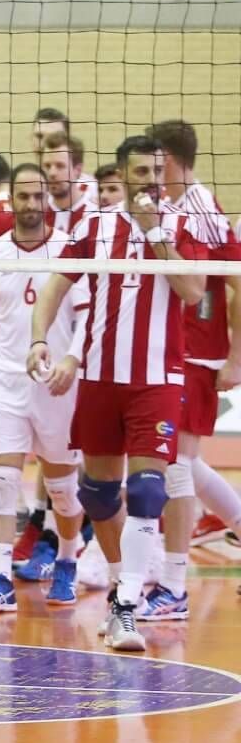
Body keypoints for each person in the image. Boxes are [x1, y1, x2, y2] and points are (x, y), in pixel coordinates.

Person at [28, 136, 207, 651]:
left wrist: (155, 233)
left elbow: (193, 292)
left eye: (157, 172)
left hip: (156, 380)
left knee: (148, 491)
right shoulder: (95, 225)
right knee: (98, 495)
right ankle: (117, 586)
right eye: (141, 172)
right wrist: (40, 339)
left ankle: (128, 605)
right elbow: (54, 286)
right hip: (101, 378)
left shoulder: (182, 224)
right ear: (123, 175)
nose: (151, 181)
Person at [0, 164, 88, 613]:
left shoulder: (70, 249)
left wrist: (73, 361)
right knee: (0, 482)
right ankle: (0, 580)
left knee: (63, 490)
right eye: (24, 196)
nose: (32, 204)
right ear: (11, 200)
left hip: (57, 384)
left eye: (39, 196)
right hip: (5, 380)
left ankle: (67, 559)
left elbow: (86, 317)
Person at [137, 119, 241, 620]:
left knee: (176, 464)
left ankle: (174, 587)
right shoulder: (166, 205)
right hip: (163, 351)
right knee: (178, 462)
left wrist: (236, 357)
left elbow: (235, 281)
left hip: (195, 355)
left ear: (171, 160)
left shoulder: (201, 210)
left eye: (155, 163)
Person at [40, 131, 96, 234]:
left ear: (78, 170)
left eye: (60, 166)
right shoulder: (37, 212)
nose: (52, 173)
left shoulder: (95, 214)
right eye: (47, 166)